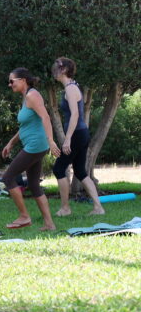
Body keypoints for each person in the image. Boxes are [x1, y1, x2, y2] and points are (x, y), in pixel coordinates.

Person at [1, 68, 61, 231]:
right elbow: (26, 125)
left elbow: (45, 117)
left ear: (23, 80)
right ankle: (49, 224)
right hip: (34, 145)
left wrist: (51, 141)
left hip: (36, 145)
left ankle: (24, 216)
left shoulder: (32, 95)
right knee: (34, 184)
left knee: (8, 177)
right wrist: (11, 143)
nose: (10, 84)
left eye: (12, 81)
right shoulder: (26, 97)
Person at [51, 58, 104, 216]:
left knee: (59, 168)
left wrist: (67, 139)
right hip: (80, 134)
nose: (54, 70)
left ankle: (65, 208)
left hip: (76, 135)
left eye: (57, 67)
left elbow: (74, 115)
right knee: (80, 171)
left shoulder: (70, 89)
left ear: (64, 70)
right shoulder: (71, 87)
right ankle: (98, 208)